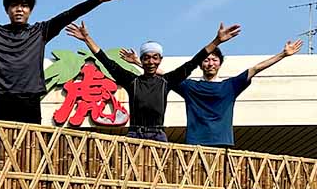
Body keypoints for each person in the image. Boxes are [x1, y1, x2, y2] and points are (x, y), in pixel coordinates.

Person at [65, 21, 241, 141]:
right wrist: (87, 39)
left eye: (155, 58)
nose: (151, 62)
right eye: (147, 58)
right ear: (141, 60)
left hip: (158, 135)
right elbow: (107, 62)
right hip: (135, 133)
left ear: (160, 59)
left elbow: (194, 62)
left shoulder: (167, 81)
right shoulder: (132, 81)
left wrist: (217, 40)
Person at [171, 39, 303, 147]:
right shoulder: (190, 86)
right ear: (200, 65)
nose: (210, 63)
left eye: (214, 60)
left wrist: (282, 54)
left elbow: (256, 69)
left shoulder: (230, 86)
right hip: (195, 144)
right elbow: (164, 76)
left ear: (220, 63)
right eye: (206, 60)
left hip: (222, 144)